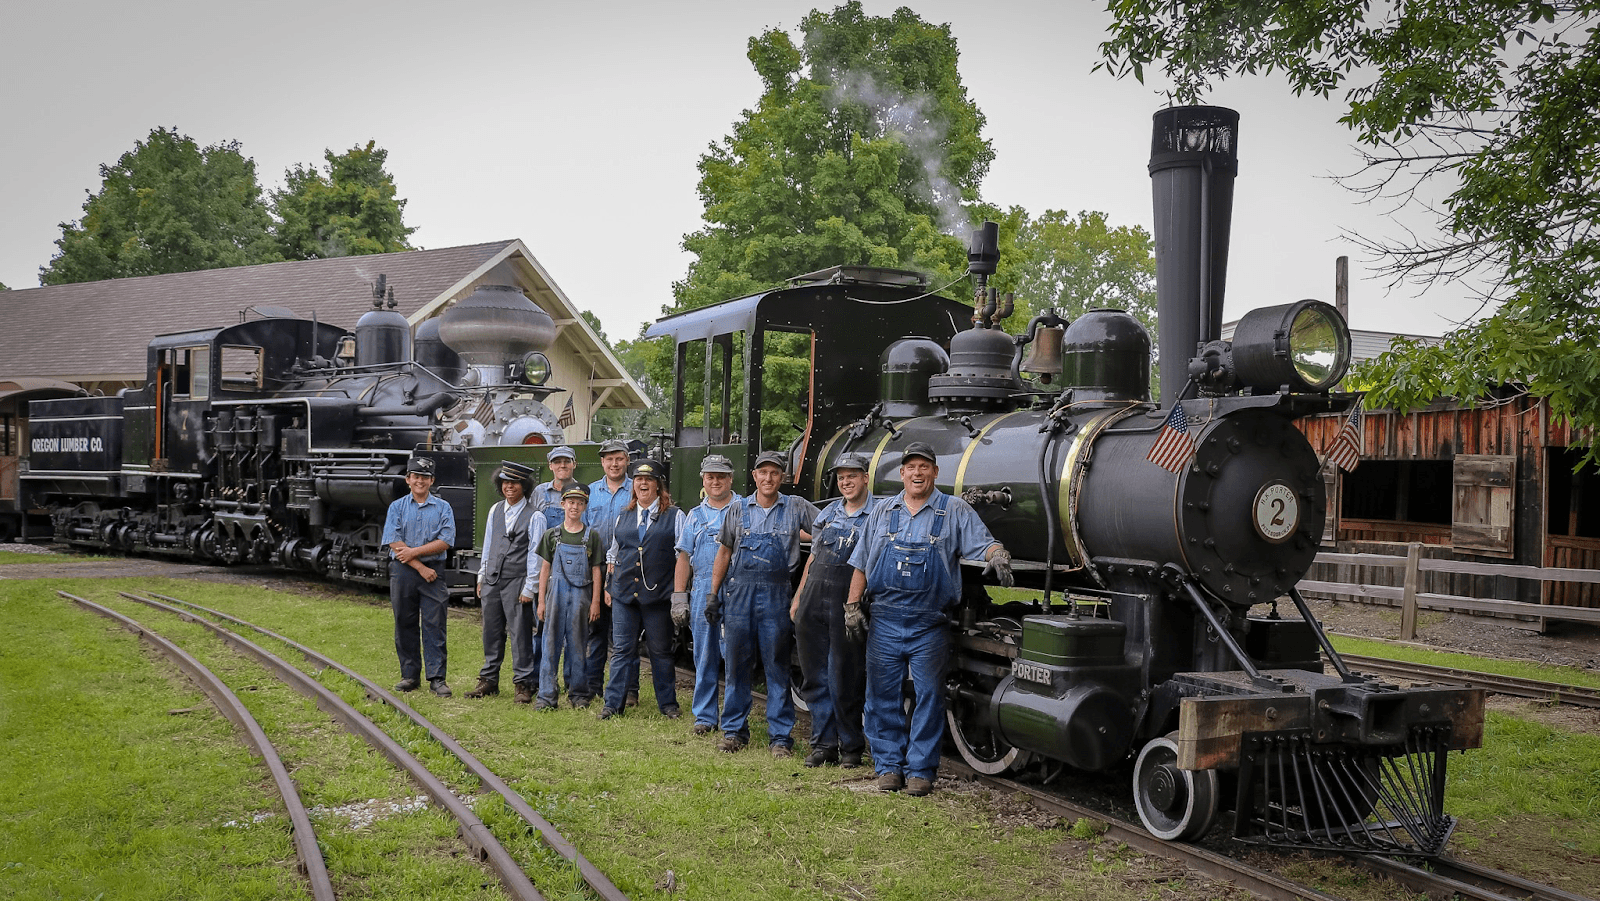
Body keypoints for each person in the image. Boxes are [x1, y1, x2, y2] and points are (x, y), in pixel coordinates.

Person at [847, 441, 1013, 796]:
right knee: (881, 696)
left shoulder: (953, 510)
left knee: (929, 696)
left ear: (935, 472)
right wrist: (851, 605)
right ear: (902, 473)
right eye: (911, 467)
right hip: (885, 620)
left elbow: (982, 543)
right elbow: (862, 562)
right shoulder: (882, 511)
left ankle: (921, 771)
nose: (917, 473)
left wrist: (998, 553)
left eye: (924, 466)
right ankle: (888, 767)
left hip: (929, 623)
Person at [706, 451, 818, 756]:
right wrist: (712, 594)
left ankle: (780, 738)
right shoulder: (738, 509)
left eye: (774, 473)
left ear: (782, 477)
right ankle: (734, 732)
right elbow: (724, 554)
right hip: (739, 596)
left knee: (777, 667)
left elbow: (827, 531)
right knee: (736, 666)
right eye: (762, 473)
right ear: (754, 476)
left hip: (776, 596)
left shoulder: (795, 507)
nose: (768, 479)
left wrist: (801, 592)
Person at [789, 452, 875, 768]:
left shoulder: (878, 514)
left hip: (847, 598)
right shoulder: (828, 513)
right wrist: (799, 598)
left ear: (865, 477)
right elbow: (812, 558)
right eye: (841, 476)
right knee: (814, 676)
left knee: (845, 676)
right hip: (814, 596)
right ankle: (823, 745)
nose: (846, 481)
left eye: (852, 475)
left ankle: (851, 746)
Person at [599, 459, 684, 719]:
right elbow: (613, 554)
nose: (643, 483)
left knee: (660, 651)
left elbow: (682, 554)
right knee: (622, 649)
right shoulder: (623, 516)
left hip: (658, 596)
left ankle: (668, 705)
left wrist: (678, 593)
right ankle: (613, 704)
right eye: (638, 480)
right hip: (624, 594)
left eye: (649, 480)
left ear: (659, 486)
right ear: (633, 485)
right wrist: (607, 586)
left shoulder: (675, 516)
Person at [467, 460, 545, 703]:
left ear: (525, 486)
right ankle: (489, 679)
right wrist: (482, 575)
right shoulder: (495, 510)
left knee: (520, 632)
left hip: (517, 580)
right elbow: (489, 544)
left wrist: (530, 587)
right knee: (491, 631)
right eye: (505, 482)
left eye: (515, 483)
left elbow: (536, 554)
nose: (509, 487)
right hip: (492, 579)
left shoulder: (535, 516)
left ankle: (523, 683)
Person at [671, 453, 737, 735]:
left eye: (721, 476)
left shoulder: (744, 509)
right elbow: (684, 557)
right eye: (711, 476)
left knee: (734, 656)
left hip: (736, 591)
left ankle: (734, 718)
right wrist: (678, 597)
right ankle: (705, 717)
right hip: (701, 592)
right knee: (704, 655)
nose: (716, 481)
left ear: (731, 479)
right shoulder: (695, 516)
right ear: (703, 479)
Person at [382, 455, 458, 697]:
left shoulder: (443, 507)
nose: (420, 481)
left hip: (434, 571)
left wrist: (414, 552)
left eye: (425, 477)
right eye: (416, 476)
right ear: (408, 479)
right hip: (405, 572)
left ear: (432, 480)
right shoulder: (396, 507)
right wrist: (420, 566)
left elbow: (446, 540)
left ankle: (437, 678)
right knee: (404, 622)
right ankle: (409, 676)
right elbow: (394, 541)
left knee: (435, 624)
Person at [534, 483, 604, 710]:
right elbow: (544, 569)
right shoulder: (551, 535)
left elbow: (596, 571)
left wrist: (595, 602)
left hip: (581, 597)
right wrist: (542, 600)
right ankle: (546, 696)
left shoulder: (591, 536)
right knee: (550, 643)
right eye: (571, 502)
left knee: (578, 644)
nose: (575, 507)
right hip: (556, 595)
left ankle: (579, 694)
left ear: (585, 506)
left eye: (580, 503)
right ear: (562, 504)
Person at [583, 438, 634, 708]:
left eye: (619, 458)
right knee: (596, 630)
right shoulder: (591, 492)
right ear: (602, 462)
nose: (614, 464)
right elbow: (582, 531)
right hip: (596, 568)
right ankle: (593, 685)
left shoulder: (635, 491)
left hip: (627, 569)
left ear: (627, 460)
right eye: (609, 459)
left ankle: (630, 690)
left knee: (625, 632)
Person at [532, 445, 583, 530]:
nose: (562, 465)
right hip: (545, 543)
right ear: (550, 466)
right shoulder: (539, 491)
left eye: (567, 461)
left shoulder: (583, 492)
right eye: (557, 462)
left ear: (574, 464)